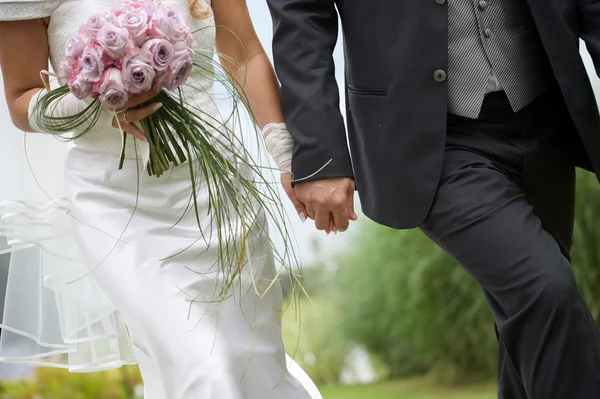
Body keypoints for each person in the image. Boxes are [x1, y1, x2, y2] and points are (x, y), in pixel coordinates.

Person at [266, 0, 600, 397]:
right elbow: (302, 14)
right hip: (432, 140)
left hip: (544, 107)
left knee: (535, 317)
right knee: (547, 290)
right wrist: (320, 154)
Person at [0, 1, 320, 398]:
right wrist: (93, 103)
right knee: (199, 366)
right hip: (115, 207)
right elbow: (21, 99)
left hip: (219, 190)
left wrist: (286, 155)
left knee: (252, 368)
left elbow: (245, 53)